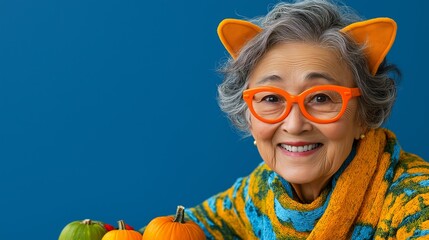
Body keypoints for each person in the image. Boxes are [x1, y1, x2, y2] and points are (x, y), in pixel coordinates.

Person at [177, 0, 429, 239]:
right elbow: (175, 231)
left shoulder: (417, 200)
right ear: (248, 116)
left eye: (320, 98)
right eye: (271, 99)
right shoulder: (260, 191)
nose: (294, 125)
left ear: (364, 115)